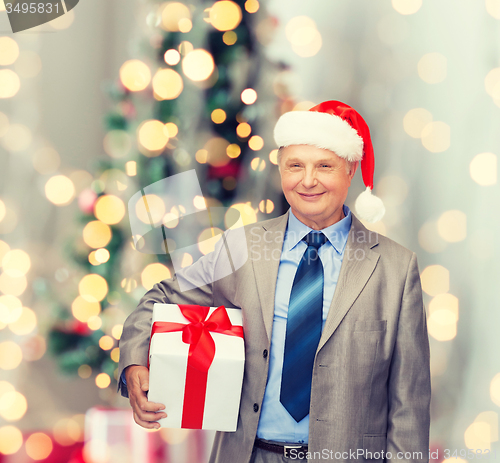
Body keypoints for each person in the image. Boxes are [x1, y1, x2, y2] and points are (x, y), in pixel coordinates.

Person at [118, 101, 431, 463]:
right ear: (281, 169)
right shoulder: (241, 248)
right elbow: (161, 298)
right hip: (250, 455)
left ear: (351, 169)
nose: (308, 180)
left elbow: (409, 404)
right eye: (295, 166)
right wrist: (135, 362)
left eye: (324, 166)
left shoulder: (395, 268)